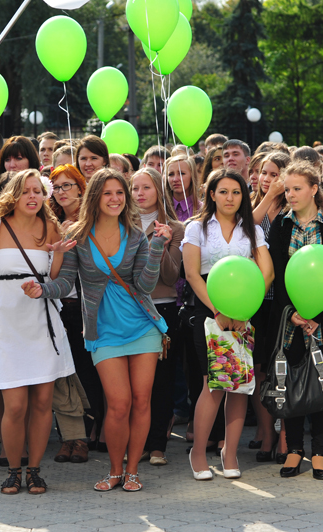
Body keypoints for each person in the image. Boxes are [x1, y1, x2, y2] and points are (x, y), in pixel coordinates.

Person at [23, 168, 171, 492]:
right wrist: (42, 289)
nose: (115, 199)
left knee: (141, 401)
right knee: (118, 404)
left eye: (120, 193)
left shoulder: (135, 235)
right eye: (108, 193)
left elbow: (145, 285)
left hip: (142, 325)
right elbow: (65, 284)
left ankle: (132, 471)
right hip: (102, 330)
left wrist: (157, 246)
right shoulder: (78, 235)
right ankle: (114, 470)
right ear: (95, 197)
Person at [0, 169, 75, 494]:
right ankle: (13, 470)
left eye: (38, 191)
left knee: (42, 403)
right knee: (16, 405)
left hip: (42, 319)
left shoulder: (50, 225)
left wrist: (60, 253)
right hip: (8, 322)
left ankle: (34, 470)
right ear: (14, 194)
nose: (33, 197)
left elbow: (51, 276)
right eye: (26, 191)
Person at [183, 168, 274, 480]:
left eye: (236, 192)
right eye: (223, 191)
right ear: (211, 194)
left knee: (239, 386)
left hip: (246, 313)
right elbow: (193, 274)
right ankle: (197, 454)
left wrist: (245, 311)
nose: (230, 198)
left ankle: (230, 453)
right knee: (214, 384)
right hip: (210, 312)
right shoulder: (196, 228)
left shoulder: (252, 230)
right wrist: (218, 311)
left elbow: (268, 273)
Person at [268, 161, 323, 481]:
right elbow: (276, 272)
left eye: (297, 188)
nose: (290, 195)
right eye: (287, 189)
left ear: (314, 189)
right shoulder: (281, 224)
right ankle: (294, 449)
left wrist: (317, 316)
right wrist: (295, 314)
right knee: (291, 383)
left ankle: (318, 451)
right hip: (290, 318)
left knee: (321, 382)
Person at [131, 167, 185, 466]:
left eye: (146, 187)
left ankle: (157, 444)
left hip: (162, 308)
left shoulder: (175, 228)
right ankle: (135, 441)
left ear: (158, 190)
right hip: (128, 309)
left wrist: (161, 245)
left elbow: (170, 274)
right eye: (135, 188)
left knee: (161, 381)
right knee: (135, 384)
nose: (140, 193)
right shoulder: (121, 224)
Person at [48, 164, 96, 464]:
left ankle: (89, 434)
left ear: (81, 188)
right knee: (62, 375)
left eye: (67, 185)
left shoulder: (94, 221)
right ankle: (69, 437)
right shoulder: (50, 223)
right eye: (56, 187)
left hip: (88, 309)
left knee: (87, 373)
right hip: (56, 306)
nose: (62, 192)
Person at [250, 151, 291, 462]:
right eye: (263, 173)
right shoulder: (253, 206)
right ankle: (265, 435)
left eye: (274, 174)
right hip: (258, 298)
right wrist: (267, 197)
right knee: (260, 368)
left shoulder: (294, 206)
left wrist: (281, 195)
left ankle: (285, 438)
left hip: (289, 297)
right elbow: (248, 226)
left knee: (285, 369)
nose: (267, 179)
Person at [164, 155, 201, 221]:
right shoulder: (162, 208)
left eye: (181, 173)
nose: (175, 179)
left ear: (192, 176)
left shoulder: (202, 209)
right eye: (171, 174)